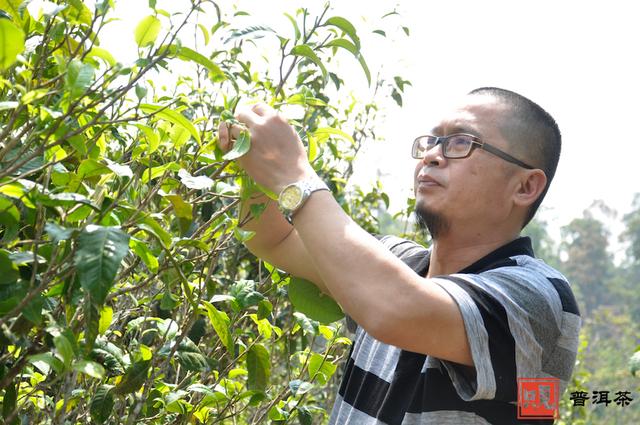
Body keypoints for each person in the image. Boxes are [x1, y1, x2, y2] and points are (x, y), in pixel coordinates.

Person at [217, 87, 581, 424]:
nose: (433, 155)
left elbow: (396, 310)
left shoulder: (539, 297)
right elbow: (273, 241)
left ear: (525, 186)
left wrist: (294, 173)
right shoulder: (395, 263)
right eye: (432, 141)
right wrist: (256, 169)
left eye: (460, 142)